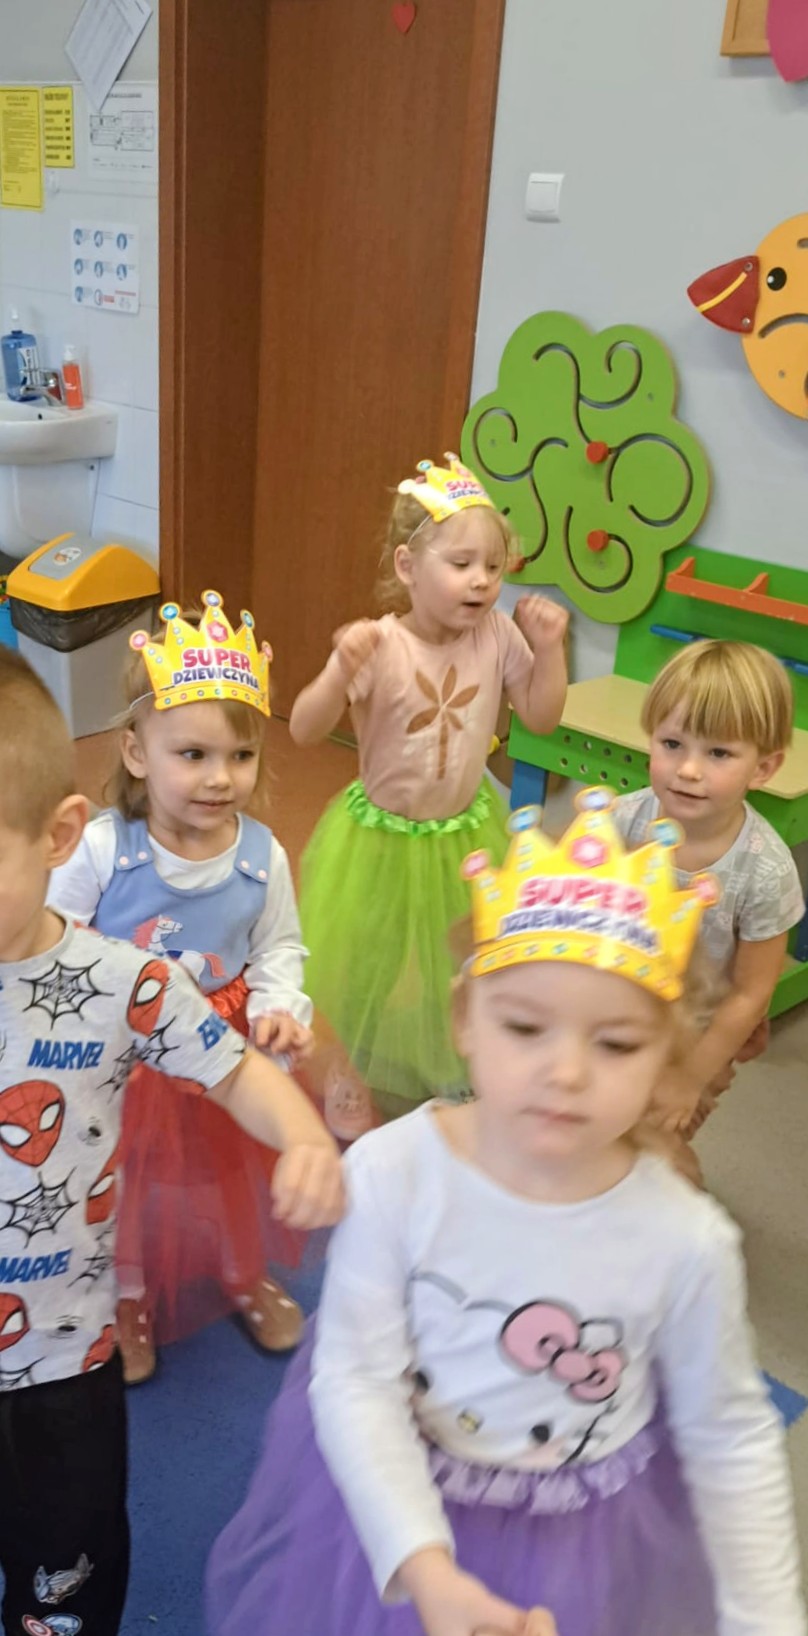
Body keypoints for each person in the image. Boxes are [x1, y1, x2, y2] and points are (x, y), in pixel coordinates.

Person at [206, 789, 805, 1636]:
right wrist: (425, 1566)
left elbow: (730, 1437)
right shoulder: (393, 1174)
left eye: (616, 1043)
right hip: (409, 1518)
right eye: (526, 1027)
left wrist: (765, 1619)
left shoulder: (686, 1237)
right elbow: (357, 1379)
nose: (566, 1072)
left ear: (666, 1055)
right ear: (465, 1018)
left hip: (585, 1540)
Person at [0, 648, 343, 1636]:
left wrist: (303, 1135)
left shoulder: (124, 978)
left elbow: (232, 1069)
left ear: (58, 835)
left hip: (63, 1352)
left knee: (63, 1571)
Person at [48, 591, 319, 1384]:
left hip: (222, 1048)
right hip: (123, 1052)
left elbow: (278, 947)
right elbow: (54, 939)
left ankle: (241, 1270)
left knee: (225, 1174)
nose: (220, 778)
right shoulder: (104, 848)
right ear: (137, 752)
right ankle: (128, 1293)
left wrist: (278, 1007)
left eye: (241, 756)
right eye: (193, 755)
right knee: (128, 1180)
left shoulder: (261, 857)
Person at [289, 454, 568, 1138]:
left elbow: (540, 717)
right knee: (368, 960)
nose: (482, 580)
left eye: (494, 567)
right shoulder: (380, 644)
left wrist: (550, 649)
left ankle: (456, 1059)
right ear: (409, 566)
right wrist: (338, 670)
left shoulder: (498, 634)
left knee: (467, 954)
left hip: (465, 834)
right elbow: (303, 729)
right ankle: (347, 1063)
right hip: (381, 837)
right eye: (462, 563)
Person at [612, 640, 804, 1167]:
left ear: (763, 768)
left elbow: (750, 993)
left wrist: (690, 1077)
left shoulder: (766, 870)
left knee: (658, 1152)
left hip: (697, 1036)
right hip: (613, 1008)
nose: (689, 769)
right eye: (672, 743)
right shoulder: (619, 822)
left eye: (718, 753)